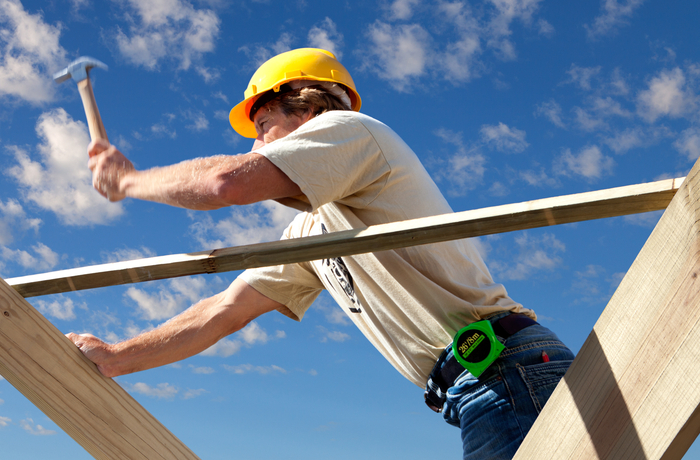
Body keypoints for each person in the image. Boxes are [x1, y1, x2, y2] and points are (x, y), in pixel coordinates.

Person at [66, 48, 573, 459]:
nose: (256, 144)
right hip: (481, 385)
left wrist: (129, 180)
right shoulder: (314, 230)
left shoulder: (352, 131)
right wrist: (114, 359)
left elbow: (223, 183)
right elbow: (222, 313)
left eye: (263, 123)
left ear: (308, 108)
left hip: (505, 371)